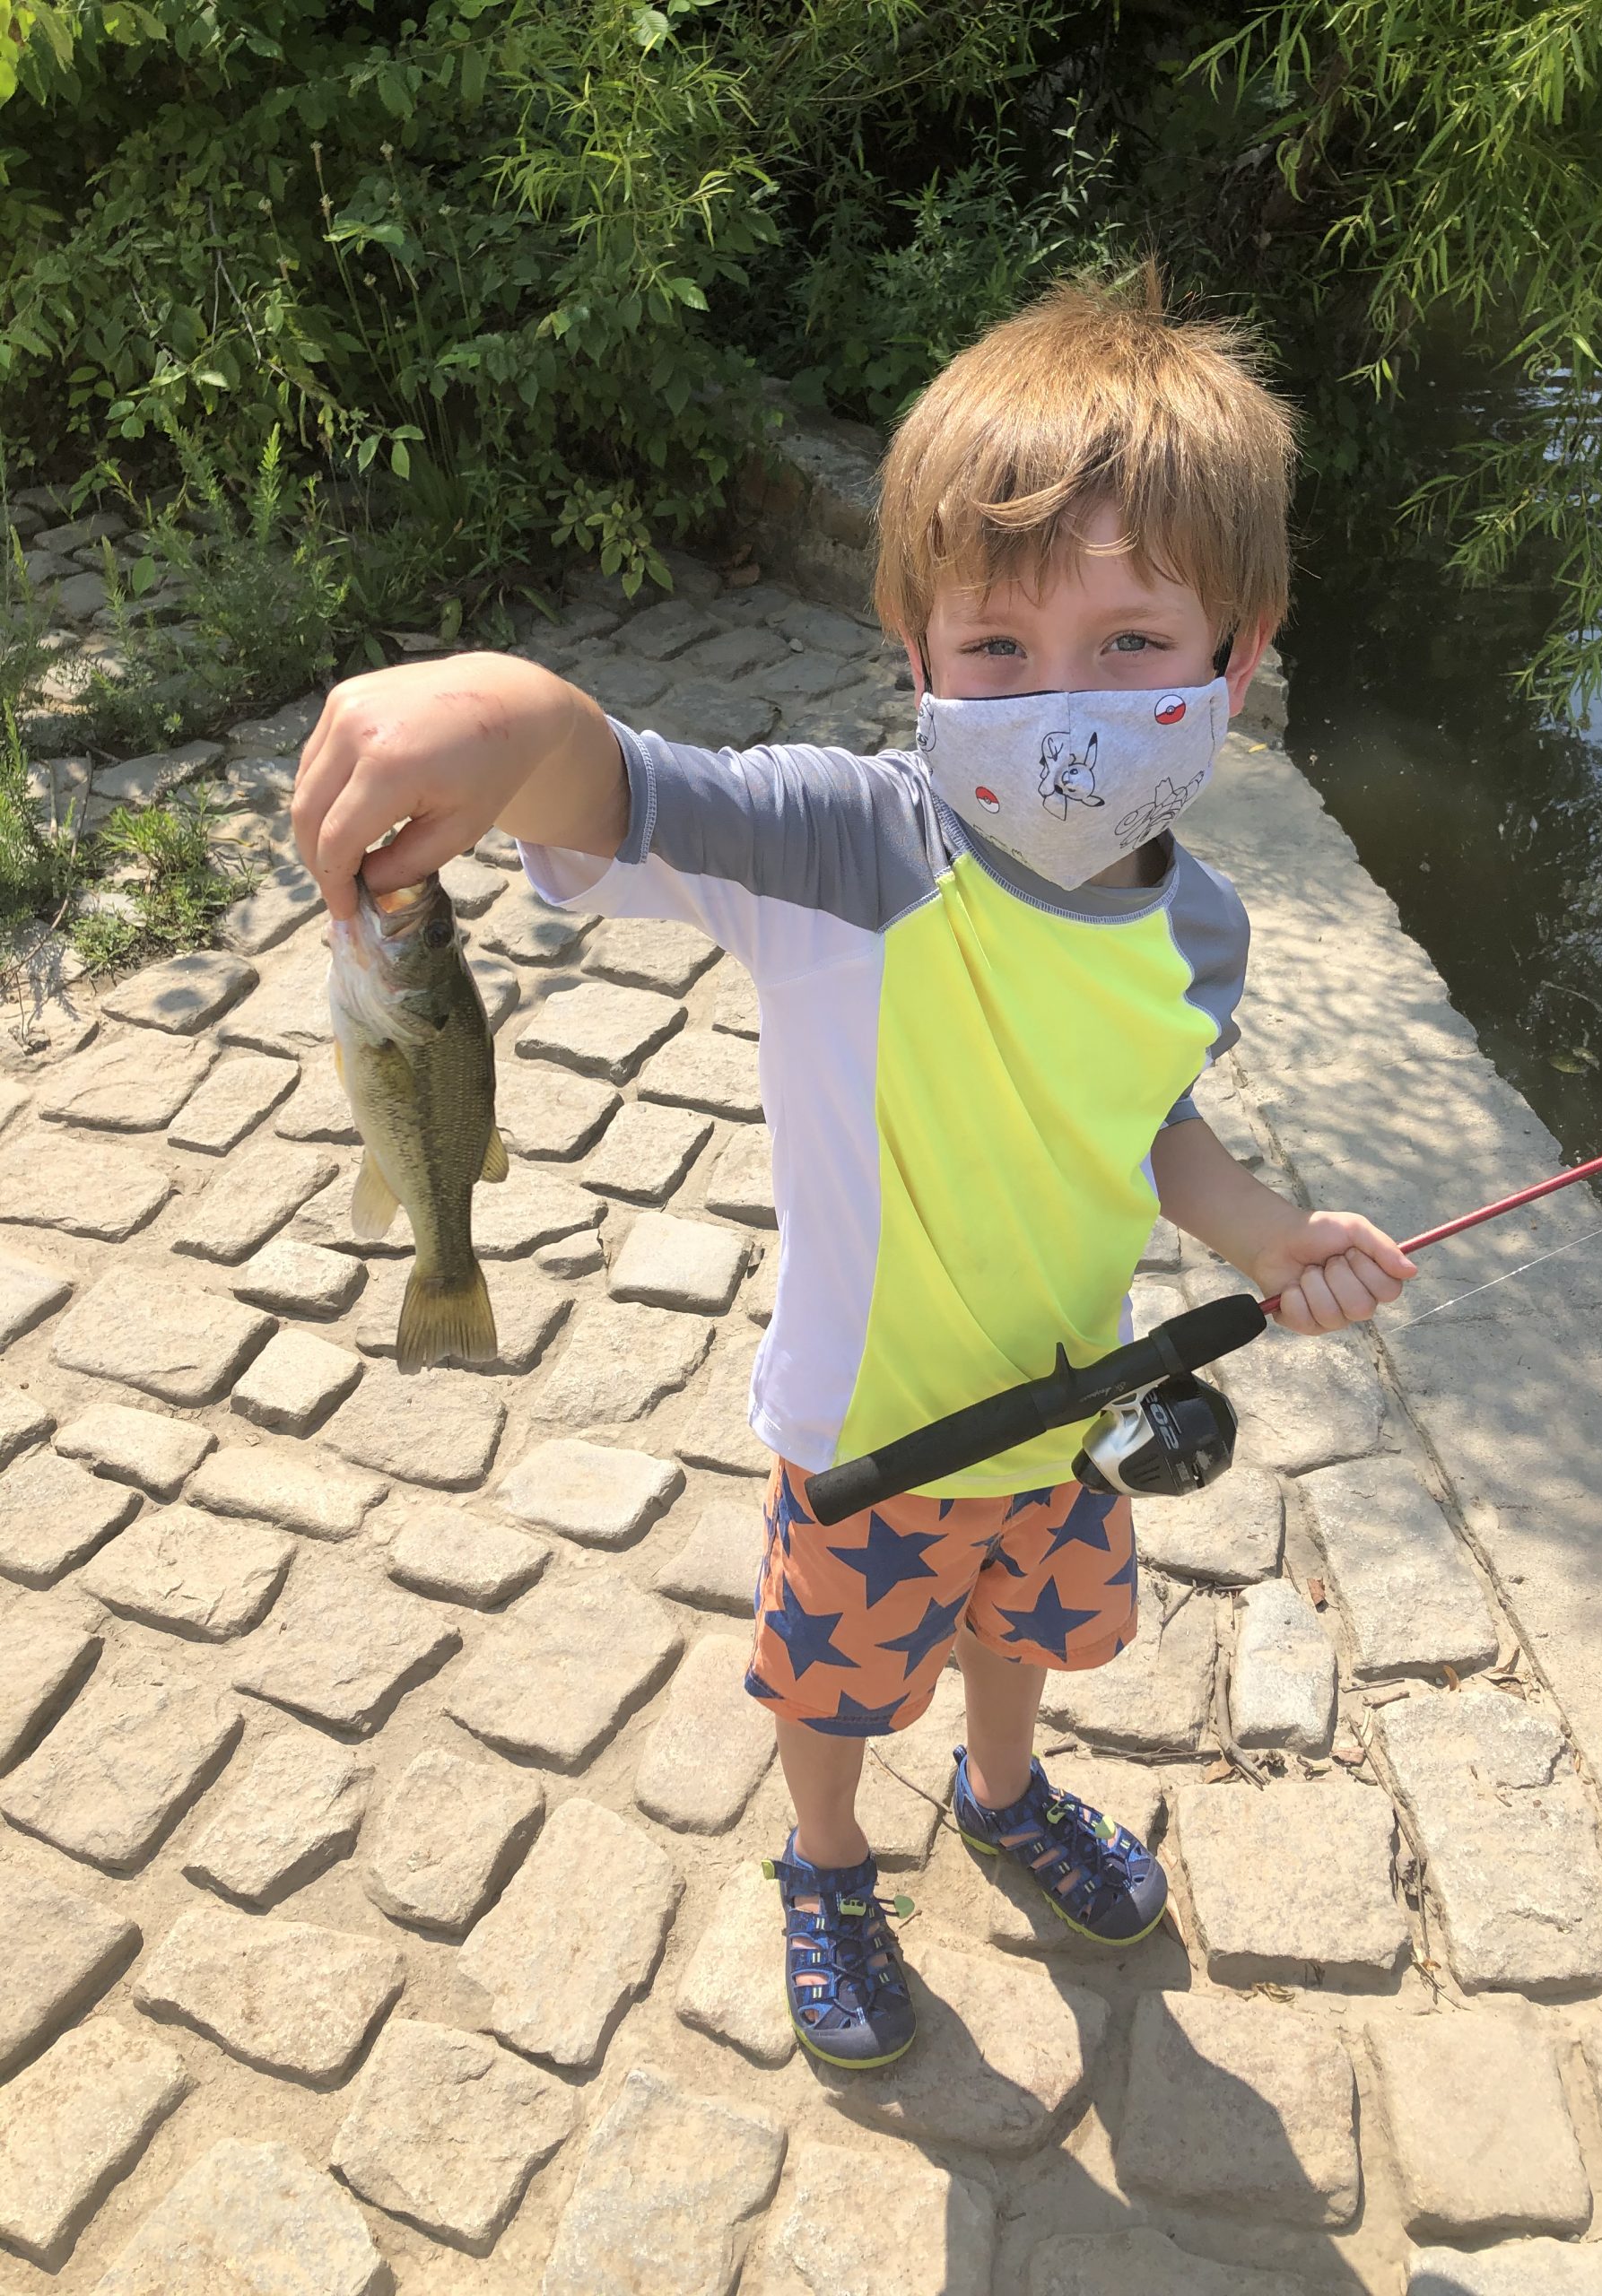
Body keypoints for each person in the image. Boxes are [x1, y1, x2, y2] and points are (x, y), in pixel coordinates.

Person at [292, 265, 1417, 2073]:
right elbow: (629, 787)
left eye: (1133, 645)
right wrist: (507, 718)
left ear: (1242, 649)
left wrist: (1275, 1235)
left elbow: (1151, 1122)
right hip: (860, 1430)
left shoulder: (1196, 919)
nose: (1061, 698)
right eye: (997, 648)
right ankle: (826, 1859)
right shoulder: (855, 849)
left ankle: (1000, 1788)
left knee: (1012, 1630)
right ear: (917, 659)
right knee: (828, 1676)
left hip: (1059, 1406)